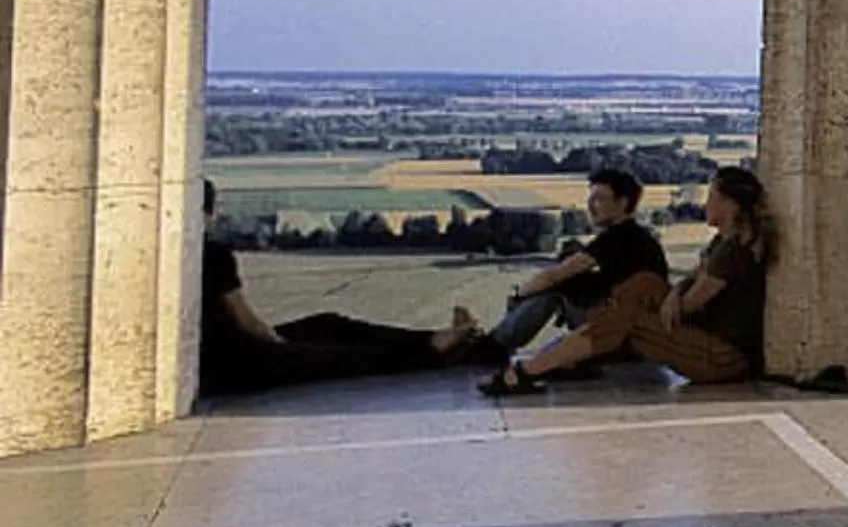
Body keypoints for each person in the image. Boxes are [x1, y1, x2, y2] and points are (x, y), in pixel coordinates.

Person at [480, 167, 771, 394]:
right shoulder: (722, 242)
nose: (706, 203)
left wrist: (669, 299)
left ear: (731, 206)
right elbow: (693, 279)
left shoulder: (731, 253)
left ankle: (526, 370)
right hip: (706, 344)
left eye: (713, 197)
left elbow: (690, 307)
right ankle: (553, 361)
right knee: (643, 284)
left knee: (626, 310)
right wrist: (676, 290)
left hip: (724, 359)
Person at [197, 181, 488, 395]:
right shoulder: (212, 254)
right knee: (343, 357)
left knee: (329, 324)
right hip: (236, 363)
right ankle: (430, 352)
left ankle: (434, 338)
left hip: (227, 355)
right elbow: (246, 320)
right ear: (208, 212)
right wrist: (284, 346)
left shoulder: (201, 253)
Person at [467, 168, 669, 365]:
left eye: (599, 199)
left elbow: (557, 275)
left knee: (555, 289)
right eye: (590, 199)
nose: (591, 206)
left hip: (624, 337)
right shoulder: (637, 237)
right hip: (635, 335)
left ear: (622, 203)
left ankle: (490, 348)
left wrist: (520, 293)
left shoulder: (619, 237)